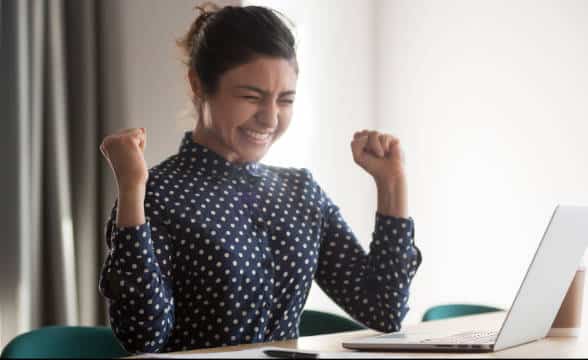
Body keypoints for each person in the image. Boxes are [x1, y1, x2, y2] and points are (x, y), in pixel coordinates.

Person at [98, 3, 422, 354]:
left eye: (285, 100)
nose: (270, 118)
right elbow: (143, 337)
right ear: (198, 84)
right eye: (251, 97)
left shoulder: (301, 191)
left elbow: (384, 310)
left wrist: (392, 184)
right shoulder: (157, 193)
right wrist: (132, 189)